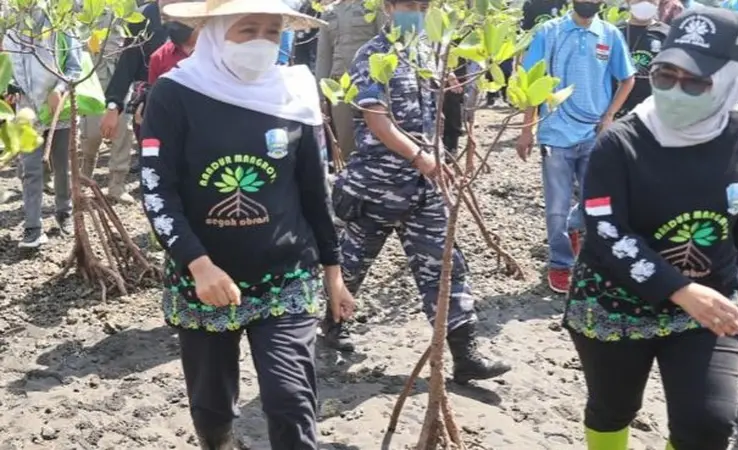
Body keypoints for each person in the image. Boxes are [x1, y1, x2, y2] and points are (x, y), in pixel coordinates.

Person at [140, 0, 355, 447]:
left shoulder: (294, 92)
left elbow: (316, 193)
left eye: (271, 32)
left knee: (292, 400)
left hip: (286, 275)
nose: (261, 43)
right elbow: (158, 189)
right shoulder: (175, 94)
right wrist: (199, 265)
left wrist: (334, 274)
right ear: (216, 32)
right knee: (212, 405)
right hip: (204, 281)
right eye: (247, 29)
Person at [565, 8, 738, 450]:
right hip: (616, 303)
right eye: (664, 75)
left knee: (707, 424)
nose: (677, 90)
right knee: (612, 408)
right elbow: (606, 232)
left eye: (696, 80)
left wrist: (712, 285)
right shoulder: (619, 144)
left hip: (706, 305)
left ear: (732, 79)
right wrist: (678, 288)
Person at [327, 0, 512, 384]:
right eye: (408, 4)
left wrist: (441, 156)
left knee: (445, 267)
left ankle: (465, 354)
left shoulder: (426, 52)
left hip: (424, 189)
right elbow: (377, 122)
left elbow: (438, 113)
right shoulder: (373, 55)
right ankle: (332, 327)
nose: (416, 10)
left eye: (422, 4)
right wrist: (420, 157)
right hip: (379, 185)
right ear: (389, 7)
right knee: (351, 266)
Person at [516, 0, 636, 294]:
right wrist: (526, 128)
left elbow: (627, 78)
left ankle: (579, 235)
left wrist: (609, 116)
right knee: (556, 206)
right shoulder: (550, 31)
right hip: (555, 133)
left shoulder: (609, 34)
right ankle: (560, 263)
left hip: (594, 134)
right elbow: (533, 80)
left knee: (597, 201)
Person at [4, 12, 82, 248]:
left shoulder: (62, 22)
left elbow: (75, 67)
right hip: (27, 111)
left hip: (59, 111)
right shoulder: (11, 25)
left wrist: (59, 88)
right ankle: (32, 227)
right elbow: (7, 66)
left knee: (62, 166)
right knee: (31, 169)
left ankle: (64, 212)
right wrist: (11, 85)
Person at [100, 0, 168, 174]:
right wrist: (113, 105)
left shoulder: (199, 15)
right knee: (153, 164)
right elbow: (128, 63)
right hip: (149, 102)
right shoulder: (142, 16)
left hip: (188, 102)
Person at [79, 9, 138, 204]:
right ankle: (84, 179)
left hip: (120, 74)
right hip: (91, 75)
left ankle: (117, 185)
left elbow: (135, 37)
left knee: (123, 130)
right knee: (92, 133)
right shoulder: (80, 5)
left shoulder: (127, 6)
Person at [315, 0, 384, 160]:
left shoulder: (374, 6)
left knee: (380, 136)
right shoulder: (329, 12)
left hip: (371, 82)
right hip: (340, 86)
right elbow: (323, 56)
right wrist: (320, 96)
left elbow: (386, 42)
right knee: (347, 140)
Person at [615, 0, 669, 116]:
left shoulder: (667, 35)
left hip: (652, 113)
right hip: (616, 111)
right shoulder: (615, 32)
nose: (645, 3)